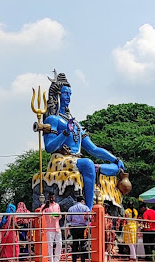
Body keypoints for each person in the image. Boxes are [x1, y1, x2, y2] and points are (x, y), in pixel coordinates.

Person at [43, 72, 125, 208]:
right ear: (57, 95)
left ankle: (96, 169)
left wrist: (115, 159)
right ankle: (88, 207)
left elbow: (93, 149)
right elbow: (49, 147)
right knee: (87, 164)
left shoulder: (76, 124)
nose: (68, 97)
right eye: (65, 93)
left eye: (70, 94)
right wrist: (64, 133)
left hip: (76, 160)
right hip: (60, 160)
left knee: (114, 168)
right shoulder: (53, 120)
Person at [66, 193, 90, 262]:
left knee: (75, 243)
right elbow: (89, 217)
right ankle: (83, 260)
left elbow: (68, 218)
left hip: (74, 227)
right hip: (83, 227)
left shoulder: (71, 208)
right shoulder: (85, 208)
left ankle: (74, 259)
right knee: (83, 243)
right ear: (82, 201)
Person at [41, 193, 62, 262]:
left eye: (53, 197)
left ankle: (57, 260)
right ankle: (51, 261)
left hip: (57, 227)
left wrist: (53, 215)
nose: (52, 198)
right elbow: (41, 214)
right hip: (49, 228)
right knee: (50, 244)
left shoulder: (57, 205)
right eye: (50, 197)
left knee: (59, 243)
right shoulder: (45, 206)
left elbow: (59, 215)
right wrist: (45, 207)